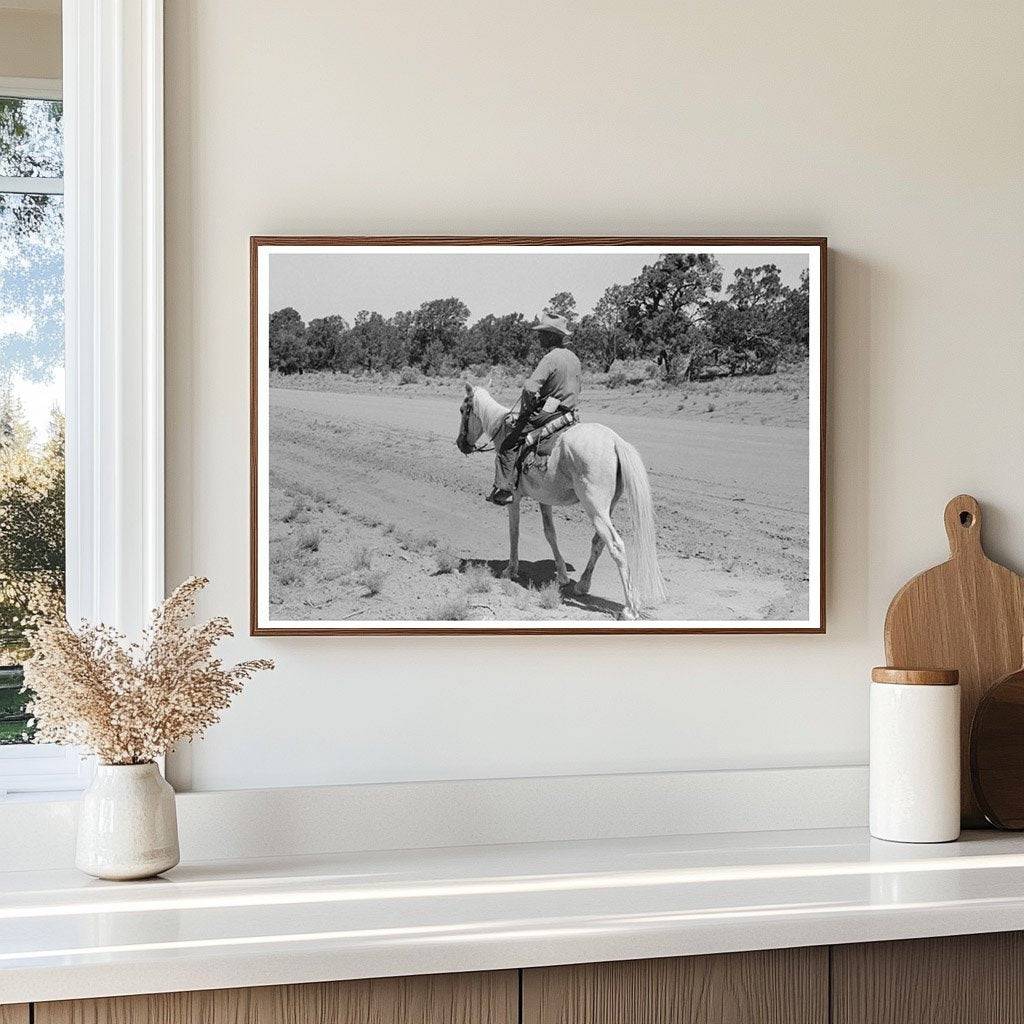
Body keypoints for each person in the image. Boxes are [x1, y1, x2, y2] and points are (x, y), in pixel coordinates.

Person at [486, 312, 582, 506]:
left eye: (543, 333)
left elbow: (530, 388)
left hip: (547, 415)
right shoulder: (574, 358)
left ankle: (504, 489)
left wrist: (526, 410)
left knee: (508, 445)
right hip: (569, 414)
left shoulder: (549, 358)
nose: (539, 337)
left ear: (552, 336)